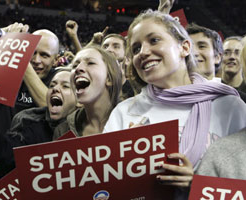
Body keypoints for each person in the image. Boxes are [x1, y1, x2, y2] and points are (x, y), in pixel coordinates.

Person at [103, 9, 246, 198]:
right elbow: (105, 189)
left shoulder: (229, 107)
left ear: (185, 48)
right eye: (136, 48)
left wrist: (198, 184)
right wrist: (125, 161)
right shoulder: (125, 111)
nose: (143, 53)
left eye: (154, 40)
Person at [0, 67, 77, 175]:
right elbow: (3, 153)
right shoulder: (32, 125)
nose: (55, 89)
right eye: (52, 85)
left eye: (65, 86)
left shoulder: (90, 130)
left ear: (80, 101)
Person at [53, 46, 122, 139]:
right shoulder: (63, 132)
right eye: (74, 65)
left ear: (109, 78)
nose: (78, 68)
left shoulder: (134, 119)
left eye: (90, 63)